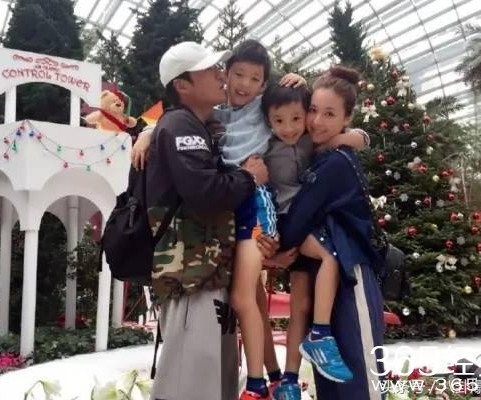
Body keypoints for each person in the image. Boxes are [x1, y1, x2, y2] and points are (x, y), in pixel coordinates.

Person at [145, 41, 274, 400]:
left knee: (214, 380)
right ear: (182, 85)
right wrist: (249, 177)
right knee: (190, 382)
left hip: (208, 273)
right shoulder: (181, 125)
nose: (221, 75)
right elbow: (204, 191)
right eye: (209, 70)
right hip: (190, 278)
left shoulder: (201, 126)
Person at [278, 66, 385, 400]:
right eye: (312, 110)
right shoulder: (316, 155)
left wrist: (274, 250)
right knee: (333, 385)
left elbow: (298, 219)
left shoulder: (335, 163)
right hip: (329, 279)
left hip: (351, 277)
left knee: (361, 382)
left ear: (346, 118)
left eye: (329, 114)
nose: (316, 121)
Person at [258, 84, 370, 400]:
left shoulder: (313, 141)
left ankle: (290, 381)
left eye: (298, 117)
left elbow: (362, 137)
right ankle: (320, 334)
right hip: (286, 224)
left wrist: (343, 138)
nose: (290, 127)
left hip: (309, 223)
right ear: (268, 120)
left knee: (301, 307)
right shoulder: (265, 146)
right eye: (280, 121)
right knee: (330, 257)